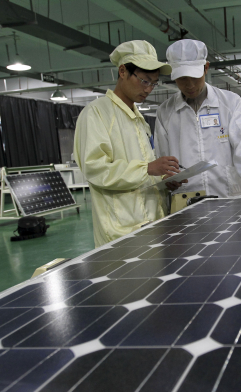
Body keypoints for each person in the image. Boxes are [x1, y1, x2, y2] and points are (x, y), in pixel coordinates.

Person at [74, 40, 184, 247]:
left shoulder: (138, 119)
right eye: (144, 81)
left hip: (151, 223)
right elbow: (95, 169)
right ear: (123, 71)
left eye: (154, 83)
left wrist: (162, 180)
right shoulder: (96, 113)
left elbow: (142, 172)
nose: (149, 89)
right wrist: (148, 168)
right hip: (119, 231)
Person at [155, 39, 241, 198]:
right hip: (186, 200)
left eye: (195, 77)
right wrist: (166, 178)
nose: (190, 85)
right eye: (183, 78)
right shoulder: (165, 112)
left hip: (227, 197)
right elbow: (162, 158)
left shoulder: (230, 103)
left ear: (206, 68)